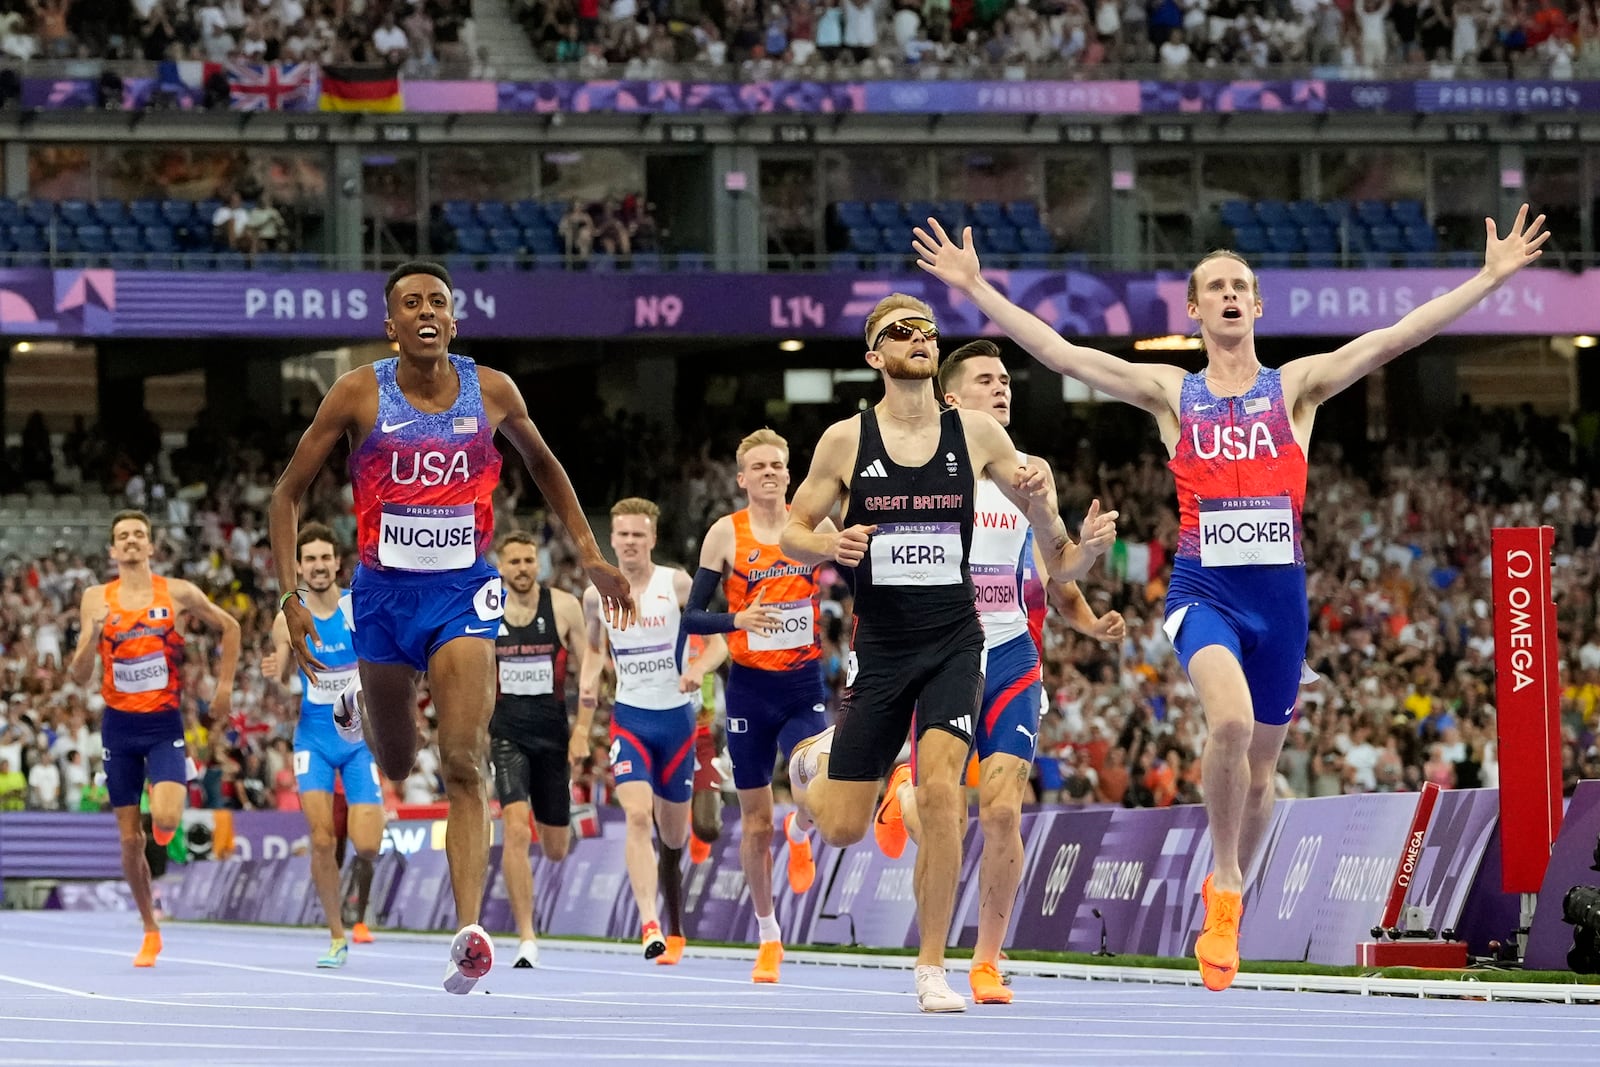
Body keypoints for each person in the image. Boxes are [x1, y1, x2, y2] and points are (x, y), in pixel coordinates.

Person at [912, 205, 1548, 991]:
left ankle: (1234, 882)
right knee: (1233, 723)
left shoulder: (1298, 389)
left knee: (1262, 774)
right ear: (1194, 308)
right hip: (1202, 587)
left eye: (1241, 285)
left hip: (1280, 598)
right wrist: (977, 287)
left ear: (1258, 304)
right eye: (1214, 286)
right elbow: (1062, 350)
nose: (1229, 295)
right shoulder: (1172, 392)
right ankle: (1223, 880)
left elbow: (1399, 337)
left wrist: (1486, 278)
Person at [269, 260, 633, 995]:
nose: (427, 310)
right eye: (412, 302)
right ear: (391, 324)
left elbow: (547, 464)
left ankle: (468, 933)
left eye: (439, 300)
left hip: (464, 593)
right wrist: (288, 595)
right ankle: (365, 712)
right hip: (379, 599)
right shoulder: (357, 392)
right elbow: (287, 493)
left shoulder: (491, 389)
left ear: (455, 320)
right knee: (398, 761)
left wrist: (590, 553)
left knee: (464, 759)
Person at [778, 294, 1118, 1012]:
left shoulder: (980, 435)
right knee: (842, 823)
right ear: (875, 357)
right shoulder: (846, 440)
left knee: (941, 795)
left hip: (956, 641)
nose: (919, 338)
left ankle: (933, 967)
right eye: (900, 332)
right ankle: (812, 760)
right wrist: (826, 545)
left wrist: (1080, 548)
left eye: (928, 330)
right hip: (882, 646)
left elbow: (1056, 558)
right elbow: (792, 528)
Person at [873, 339, 1126, 1004]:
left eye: (1008, 379)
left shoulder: (1029, 472)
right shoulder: (919, 462)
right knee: (944, 811)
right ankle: (898, 797)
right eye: (987, 380)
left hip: (1012, 655)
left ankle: (986, 958)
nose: (1003, 388)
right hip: (943, 654)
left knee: (1005, 811)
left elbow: (1057, 566)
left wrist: (1090, 571)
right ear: (952, 398)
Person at [683, 427, 832, 984]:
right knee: (754, 822)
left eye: (778, 465)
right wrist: (737, 620)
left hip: (802, 684)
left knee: (817, 793)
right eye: (759, 467)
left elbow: (863, 578)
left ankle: (802, 832)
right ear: (742, 478)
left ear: (790, 474)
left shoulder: (813, 525)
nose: (770, 473)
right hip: (748, 688)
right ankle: (769, 935)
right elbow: (692, 617)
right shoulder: (725, 535)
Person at [68, 509, 241, 967]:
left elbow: (231, 626)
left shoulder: (178, 593)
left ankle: (164, 829)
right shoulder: (94, 598)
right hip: (118, 730)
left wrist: (223, 689)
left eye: (137, 535)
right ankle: (149, 928)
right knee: (130, 841)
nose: (129, 542)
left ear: (149, 545)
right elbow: (79, 675)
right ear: (112, 550)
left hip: (164, 727)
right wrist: (92, 637)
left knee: (163, 821)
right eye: (121, 536)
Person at [580, 497, 727, 964]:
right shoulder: (595, 595)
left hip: (678, 722)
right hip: (631, 719)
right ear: (613, 539)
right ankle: (650, 923)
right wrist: (585, 712)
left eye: (637, 534)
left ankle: (674, 898)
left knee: (674, 836)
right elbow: (591, 652)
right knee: (637, 816)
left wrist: (697, 667)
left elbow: (719, 644)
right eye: (621, 534)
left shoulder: (677, 583)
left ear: (652, 539)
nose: (628, 542)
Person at [262, 523, 384, 969]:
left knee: (367, 843)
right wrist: (273, 668)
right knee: (319, 838)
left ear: (337, 562)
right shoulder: (287, 618)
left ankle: (358, 895)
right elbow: (277, 677)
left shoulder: (358, 609)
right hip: (313, 738)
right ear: (298, 567)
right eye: (308, 559)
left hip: (358, 743)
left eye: (324, 558)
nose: (317, 566)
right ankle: (336, 936)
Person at [489, 530, 588, 970]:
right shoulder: (486, 612)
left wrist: (586, 728)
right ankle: (526, 936)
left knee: (554, 847)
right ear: (501, 566)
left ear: (539, 562)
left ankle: (563, 826)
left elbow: (588, 674)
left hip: (553, 737)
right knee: (515, 830)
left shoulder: (564, 607)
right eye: (514, 562)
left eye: (529, 560)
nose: (523, 569)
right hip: (506, 735)